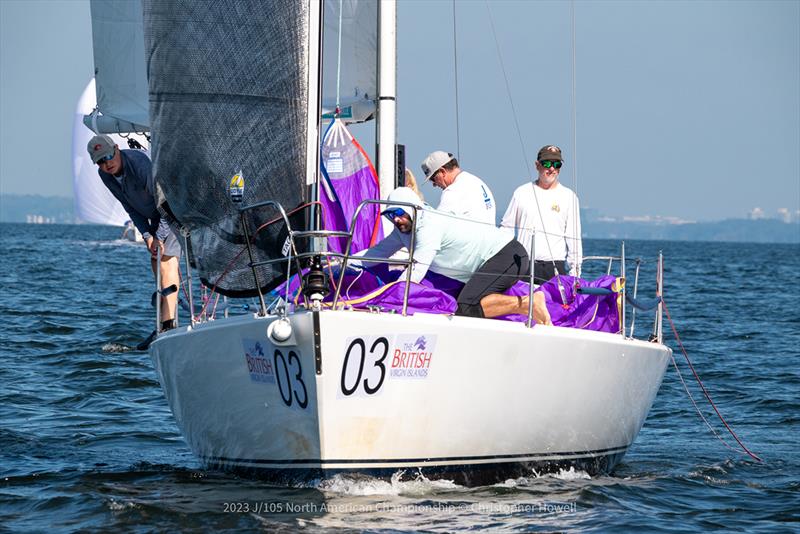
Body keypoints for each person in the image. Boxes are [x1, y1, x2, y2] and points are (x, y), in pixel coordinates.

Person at [355, 187, 551, 323]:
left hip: (507, 253)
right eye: (390, 215)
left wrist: (390, 301)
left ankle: (529, 303)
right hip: (493, 259)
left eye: (399, 212)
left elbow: (415, 273)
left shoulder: (429, 226)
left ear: (414, 209)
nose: (396, 219)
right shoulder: (403, 230)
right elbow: (374, 255)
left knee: (465, 307)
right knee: (466, 303)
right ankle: (526, 304)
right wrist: (338, 262)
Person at [87, 134, 181, 349]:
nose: (107, 163)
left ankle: (169, 326)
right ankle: (163, 323)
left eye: (109, 156)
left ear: (117, 149)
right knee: (156, 262)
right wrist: (147, 236)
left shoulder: (139, 164)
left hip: (172, 209)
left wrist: (159, 235)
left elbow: (164, 203)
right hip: (153, 217)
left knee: (166, 262)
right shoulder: (106, 176)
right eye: (100, 161)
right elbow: (129, 206)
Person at [501, 145, 582, 285]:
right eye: (547, 163)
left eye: (557, 164)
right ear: (537, 165)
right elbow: (506, 229)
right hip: (523, 265)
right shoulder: (521, 193)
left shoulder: (569, 197)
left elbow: (573, 238)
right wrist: (501, 261)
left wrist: (575, 274)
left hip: (554, 267)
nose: (552, 168)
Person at [420, 151, 496, 226]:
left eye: (433, 179)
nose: (434, 184)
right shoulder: (477, 182)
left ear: (442, 172)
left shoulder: (452, 191)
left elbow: (436, 225)